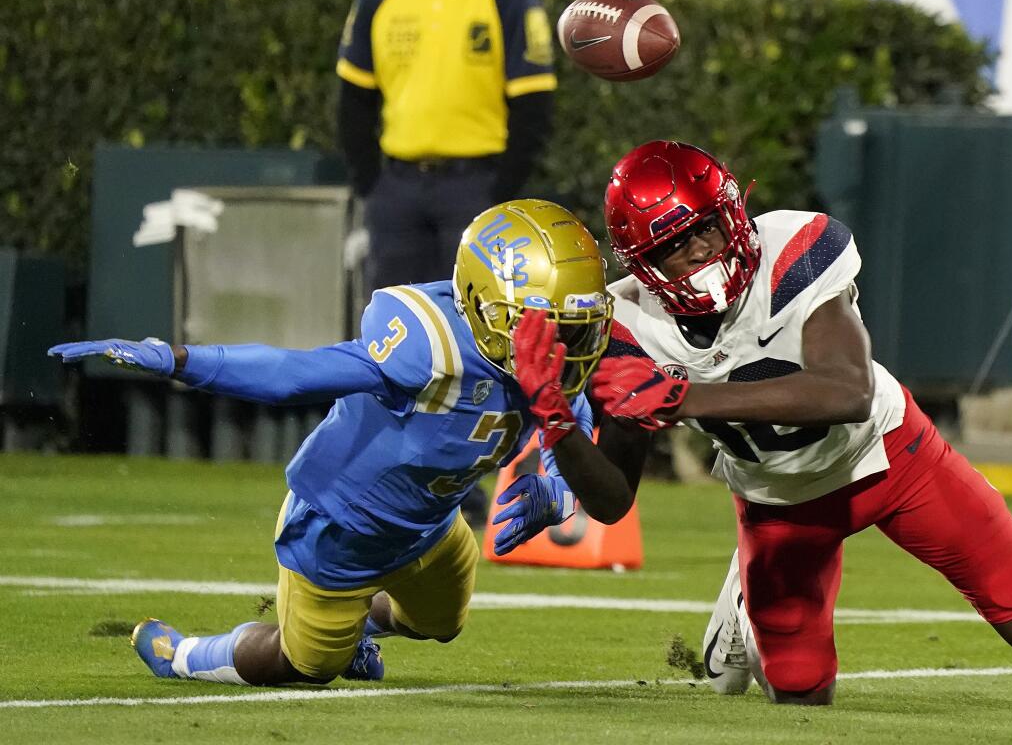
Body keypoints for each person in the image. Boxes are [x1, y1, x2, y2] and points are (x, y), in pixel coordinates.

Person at [562, 141, 1012, 705]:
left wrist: (683, 399)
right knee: (801, 693)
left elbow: (847, 391)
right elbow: (612, 504)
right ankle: (744, 601)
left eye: (707, 225)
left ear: (731, 209)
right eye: (675, 245)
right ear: (644, 266)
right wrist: (558, 421)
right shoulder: (626, 327)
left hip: (889, 457)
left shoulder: (792, 247)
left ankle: (753, 593)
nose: (703, 248)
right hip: (779, 504)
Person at [47, 200, 628, 686]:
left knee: (442, 623)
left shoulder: (553, 367)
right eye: (548, 325)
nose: (566, 345)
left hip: (431, 524)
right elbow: (295, 374)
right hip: (341, 526)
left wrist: (555, 493)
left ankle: (356, 627)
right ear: (483, 304)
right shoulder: (430, 346)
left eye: (576, 327)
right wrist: (181, 360)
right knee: (302, 665)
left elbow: (567, 434)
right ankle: (184, 655)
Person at [336, 0, 557, 292]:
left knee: (475, 322)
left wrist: (500, 190)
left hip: (475, 189)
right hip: (396, 190)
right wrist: (371, 185)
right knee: (391, 320)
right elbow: (353, 99)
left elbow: (533, 104)